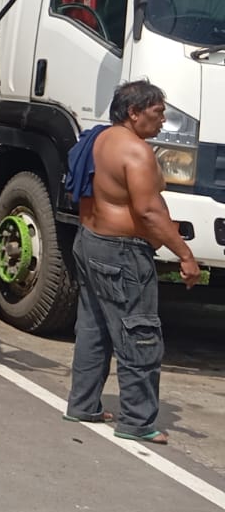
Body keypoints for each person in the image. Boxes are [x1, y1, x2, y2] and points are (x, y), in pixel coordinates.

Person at [63, 79, 201, 445]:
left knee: (93, 328)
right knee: (138, 334)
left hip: (89, 241)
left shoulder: (100, 139)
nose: (163, 120)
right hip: (121, 251)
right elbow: (149, 211)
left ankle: (83, 404)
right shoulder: (136, 153)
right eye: (156, 113)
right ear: (133, 113)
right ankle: (137, 421)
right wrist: (185, 255)